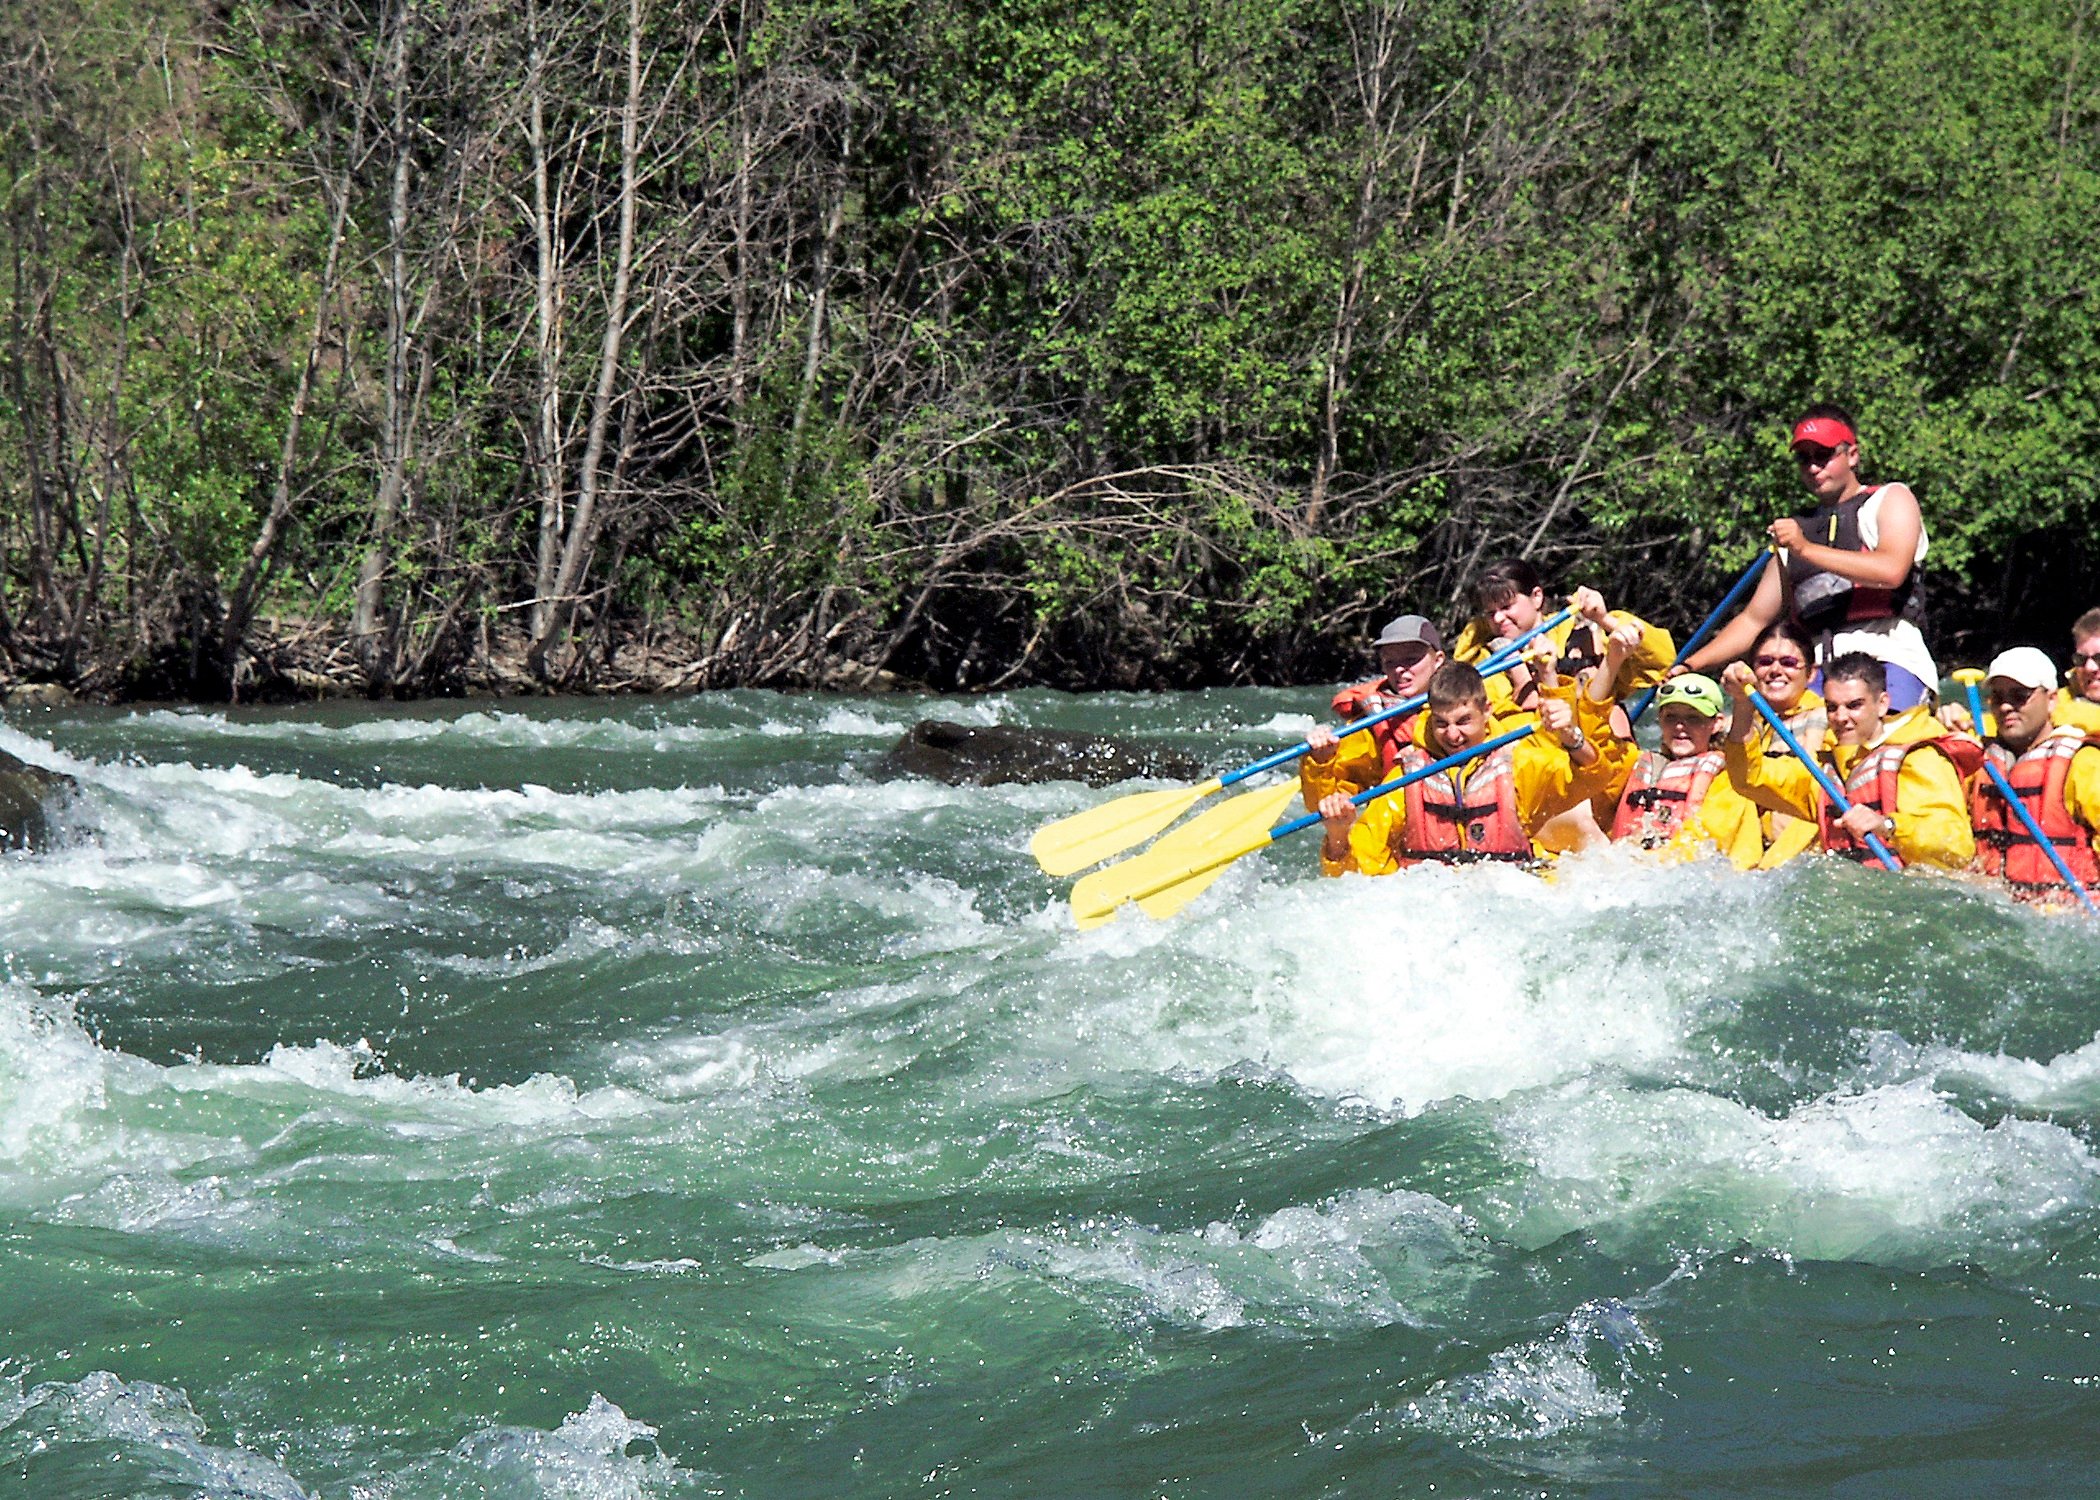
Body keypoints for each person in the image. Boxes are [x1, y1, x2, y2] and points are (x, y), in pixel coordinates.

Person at [1683, 404, 1938, 710]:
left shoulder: (1890, 499)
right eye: (1805, 458)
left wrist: (1805, 549)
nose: (1814, 467)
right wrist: (1691, 664)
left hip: (1888, 655)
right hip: (1817, 669)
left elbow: (1892, 570)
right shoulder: (1795, 531)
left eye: (1824, 455)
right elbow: (1754, 620)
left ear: (1852, 455)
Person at [1317, 661, 1607, 875]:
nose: (1453, 735)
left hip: (1510, 894)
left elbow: (1594, 777)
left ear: (1487, 710)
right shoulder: (1406, 778)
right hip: (1436, 902)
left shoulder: (1520, 763)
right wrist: (1337, 835)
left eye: (1464, 721)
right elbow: (1353, 873)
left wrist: (1571, 736)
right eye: (1442, 724)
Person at [1720, 651, 1979, 870]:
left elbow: (1957, 846)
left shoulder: (1921, 757)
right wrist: (1743, 704)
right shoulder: (1825, 772)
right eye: (1832, 707)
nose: (1840, 717)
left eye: (1854, 705)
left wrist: (1886, 825)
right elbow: (1750, 779)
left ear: (1882, 704)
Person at [1451, 561, 1674, 711]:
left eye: (1506, 606)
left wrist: (1604, 620)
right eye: (1491, 613)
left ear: (1537, 597)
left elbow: (1662, 661)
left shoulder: (1583, 628)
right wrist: (1522, 680)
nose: (1498, 619)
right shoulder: (1486, 659)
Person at [1968, 647, 2100, 902]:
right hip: (1999, 911)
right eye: (1997, 697)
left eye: (2019, 696)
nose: (2006, 706)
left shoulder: (2083, 761)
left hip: (2071, 913)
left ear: (2051, 699)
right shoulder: (1980, 762)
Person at [1602, 673, 1764, 869]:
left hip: (1690, 872)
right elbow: (1595, 756)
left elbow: (1707, 840)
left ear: (1716, 723)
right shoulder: (1639, 764)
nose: (1680, 726)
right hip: (1642, 869)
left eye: (1693, 718)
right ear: (1660, 720)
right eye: (1671, 717)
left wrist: (1649, 862)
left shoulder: (1728, 779)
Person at [1300, 615, 1444, 811]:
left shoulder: (1468, 699)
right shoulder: (1372, 720)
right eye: (1390, 662)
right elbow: (1322, 804)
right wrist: (1320, 761)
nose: (1400, 669)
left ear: (1438, 660)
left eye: (1411, 659)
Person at [1734, 621, 1827, 868]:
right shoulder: (1744, 722)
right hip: (1749, 855)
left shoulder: (1826, 720)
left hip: (1798, 856)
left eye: (1788, 663)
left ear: (1811, 673)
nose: (1775, 670)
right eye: (1765, 662)